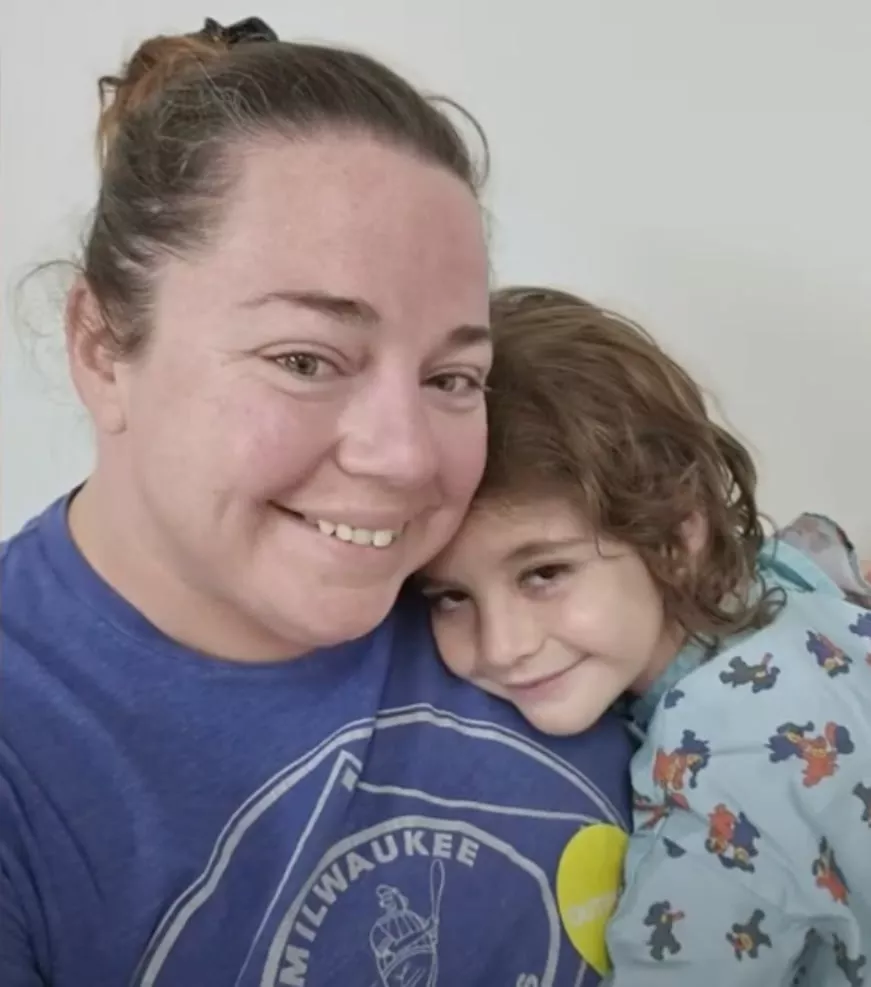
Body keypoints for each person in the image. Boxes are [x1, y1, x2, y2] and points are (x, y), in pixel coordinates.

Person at [0, 20, 634, 987]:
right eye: (304, 359)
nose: (405, 458)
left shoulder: (509, 569)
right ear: (101, 347)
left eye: (453, 376)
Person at [421, 286, 871, 985]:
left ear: (673, 539)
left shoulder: (721, 765)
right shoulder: (777, 576)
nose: (501, 643)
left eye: (543, 573)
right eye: (449, 595)